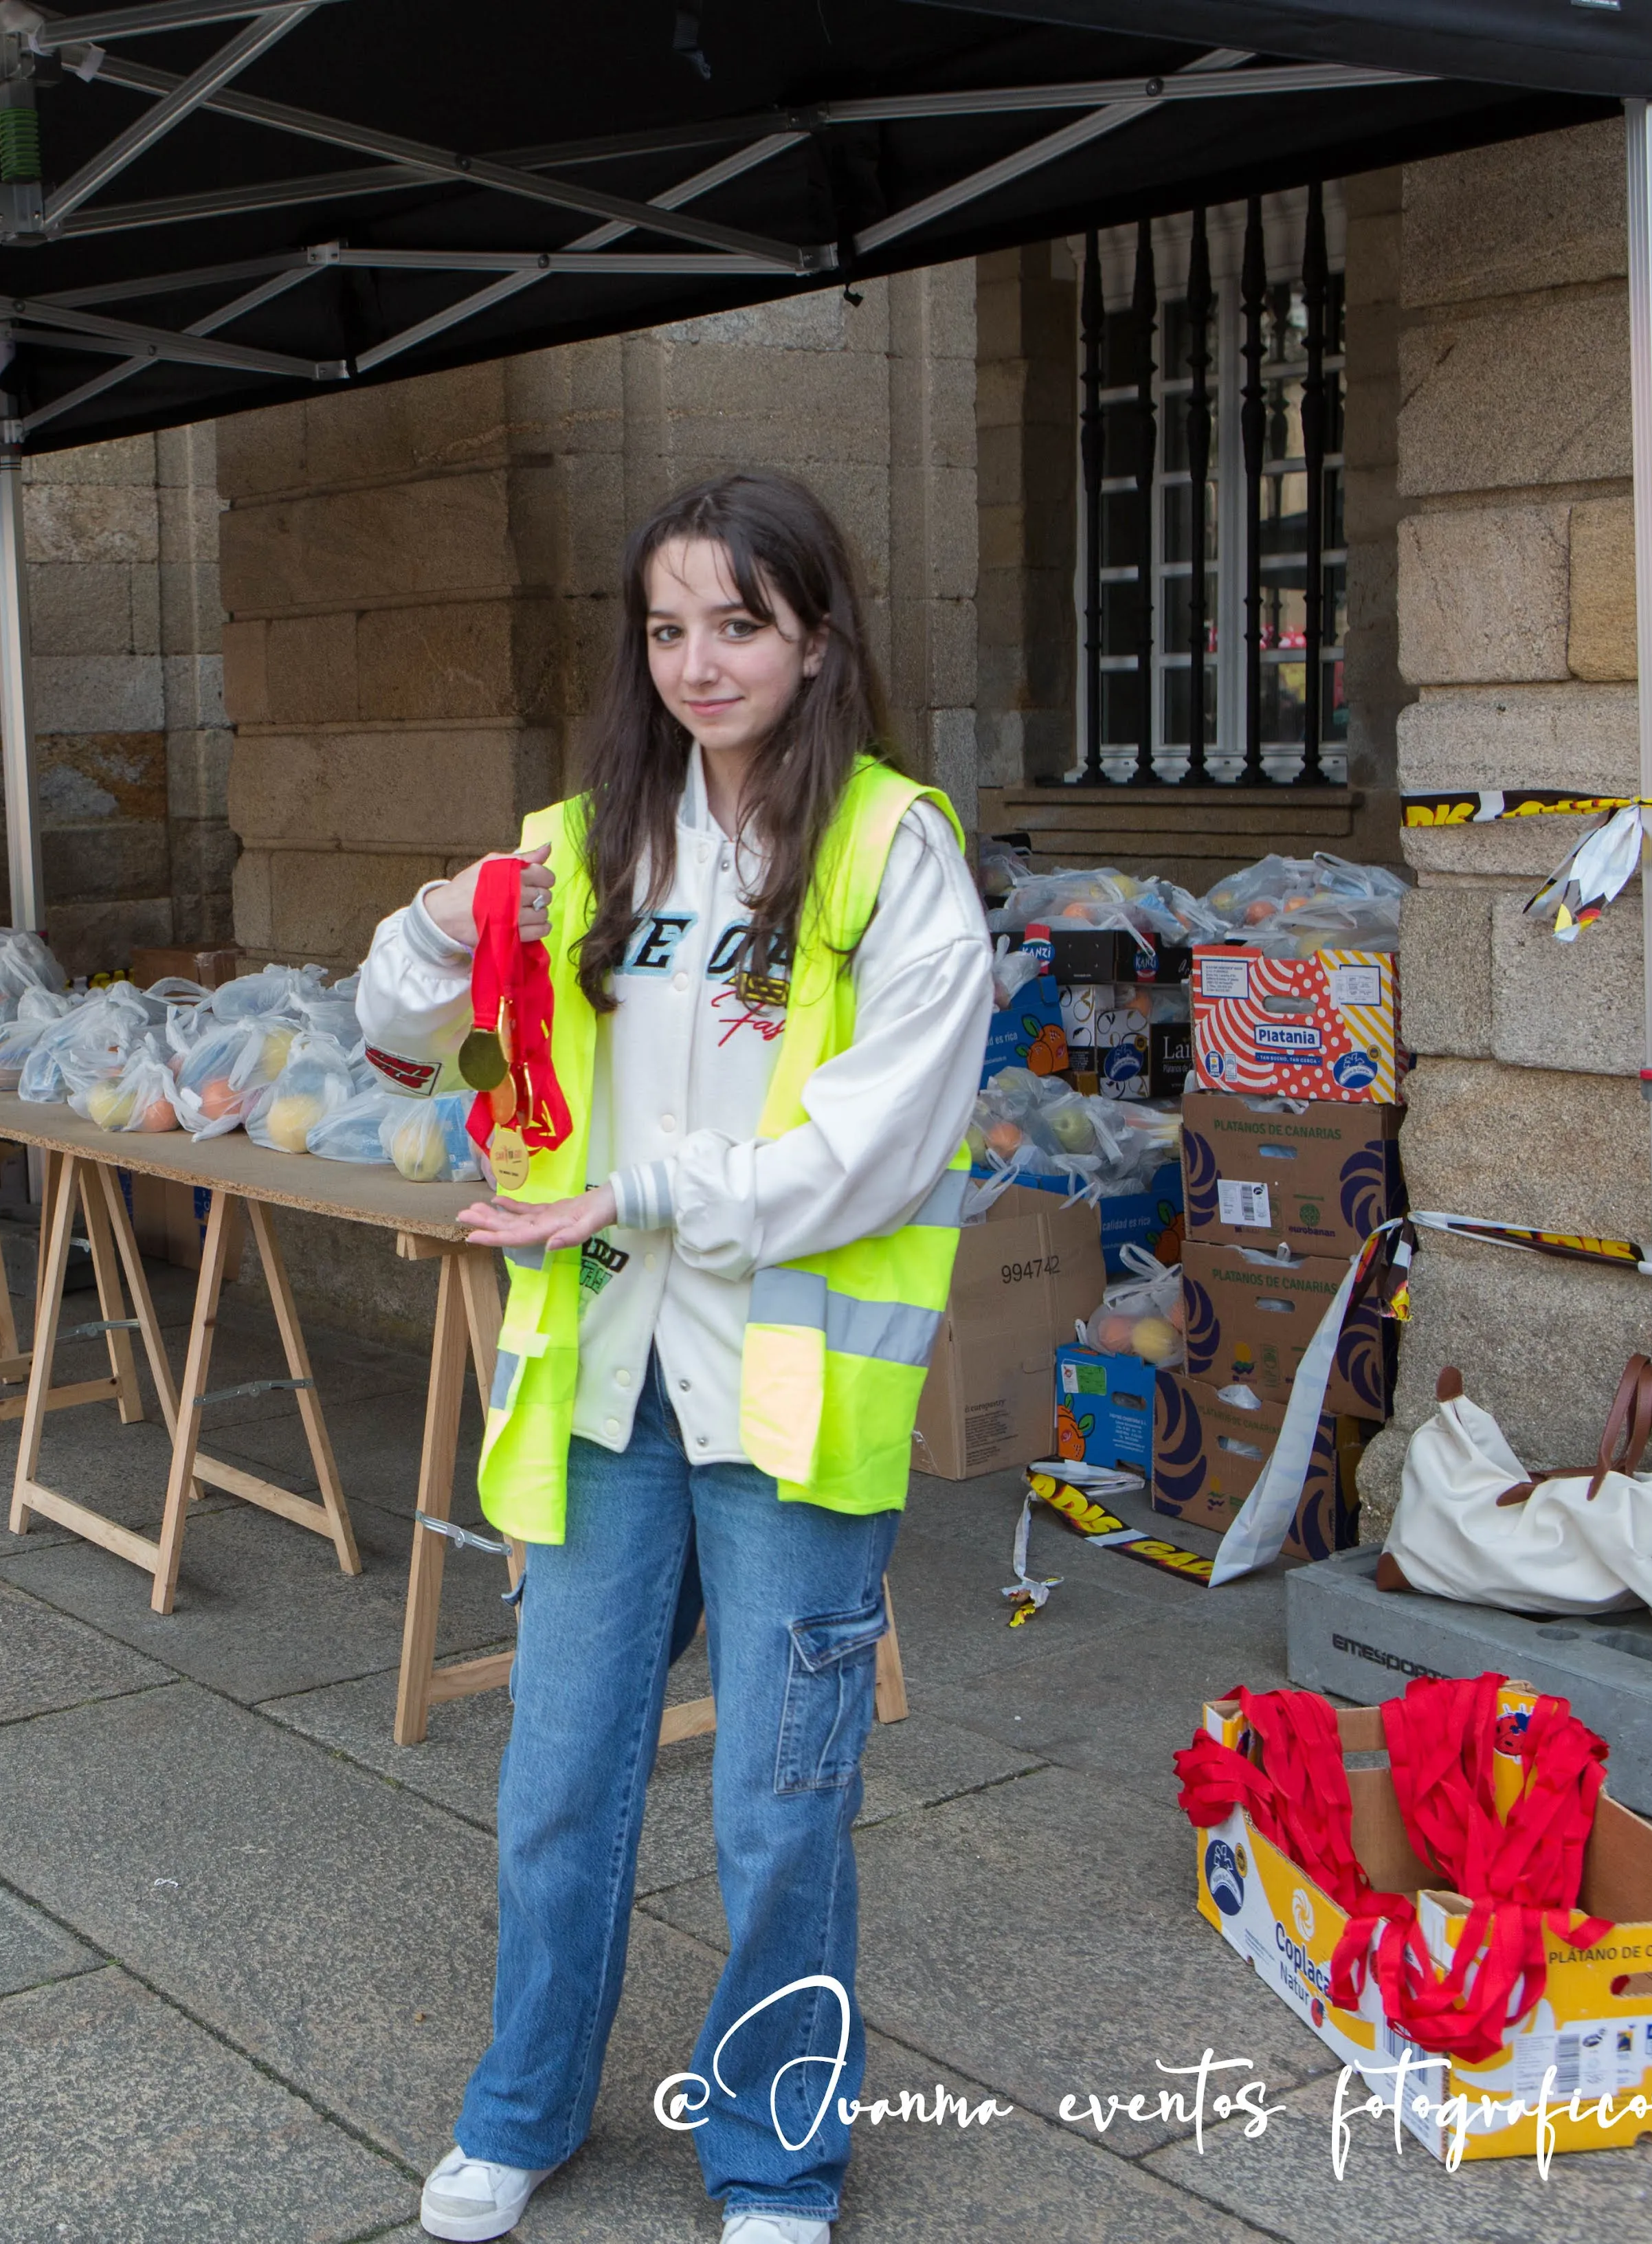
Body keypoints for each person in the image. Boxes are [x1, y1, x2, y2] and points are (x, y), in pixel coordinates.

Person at [356, 472, 987, 2244]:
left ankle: (774, 2150)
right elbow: (394, 1019)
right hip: (605, 1384)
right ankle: (522, 2104)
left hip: (786, 1399)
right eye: (665, 626)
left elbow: (878, 1144)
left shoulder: (887, 850)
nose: (698, 662)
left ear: (812, 634)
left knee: (780, 1813)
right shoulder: (587, 842)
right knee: (556, 1775)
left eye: (737, 622)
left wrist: (626, 1187)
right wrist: (436, 925)